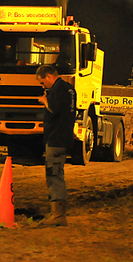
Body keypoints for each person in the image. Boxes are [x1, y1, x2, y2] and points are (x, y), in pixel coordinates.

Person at [35, 64, 76, 227]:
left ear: (49, 76)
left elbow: (54, 109)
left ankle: (58, 215)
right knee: (57, 173)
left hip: (56, 139)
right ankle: (57, 214)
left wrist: (45, 100)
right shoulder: (69, 89)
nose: (43, 86)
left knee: (54, 175)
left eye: (42, 82)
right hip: (64, 137)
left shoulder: (59, 90)